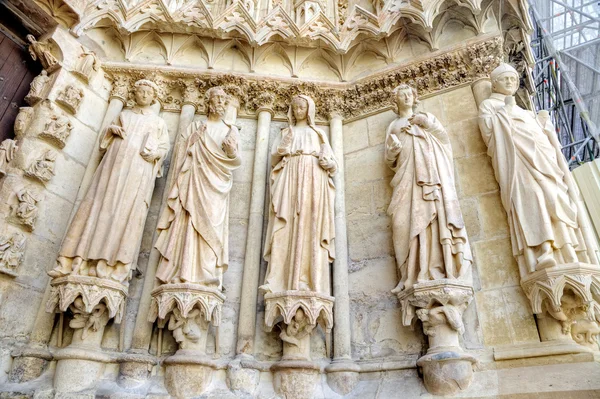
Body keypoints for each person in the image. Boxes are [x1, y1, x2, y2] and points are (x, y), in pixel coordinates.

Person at [49, 79, 170, 284]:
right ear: (134, 94)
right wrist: (111, 131)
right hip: (112, 170)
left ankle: (116, 265)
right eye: (140, 91)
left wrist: (155, 154)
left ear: (153, 97)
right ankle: (77, 261)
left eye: (147, 92)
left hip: (137, 174)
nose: (143, 95)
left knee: (127, 213)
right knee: (98, 207)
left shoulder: (158, 122)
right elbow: (104, 143)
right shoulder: (123, 115)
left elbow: (163, 148)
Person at [478, 63, 594, 274]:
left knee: (555, 198)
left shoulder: (525, 111)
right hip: (519, 164)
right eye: (505, 79)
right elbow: (489, 134)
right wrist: (506, 113)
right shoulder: (489, 106)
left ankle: (568, 249)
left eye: (513, 79)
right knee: (534, 200)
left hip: (543, 162)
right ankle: (544, 250)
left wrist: (542, 125)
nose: (510, 82)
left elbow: (539, 137)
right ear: (494, 84)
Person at [385, 84, 472, 293]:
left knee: (434, 220)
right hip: (407, 180)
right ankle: (411, 273)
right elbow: (389, 159)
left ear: (415, 98)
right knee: (401, 223)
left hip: (432, 179)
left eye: (409, 94)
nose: (406, 97)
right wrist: (393, 151)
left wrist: (427, 125)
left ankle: (440, 269)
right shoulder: (394, 125)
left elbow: (444, 140)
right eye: (401, 95)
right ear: (395, 101)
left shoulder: (427, 117)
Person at [154, 87, 241, 289]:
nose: (220, 102)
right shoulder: (195, 127)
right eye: (216, 99)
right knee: (188, 222)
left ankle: (207, 271)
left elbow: (236, 160)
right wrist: (194, 141)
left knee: (211, 225)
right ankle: (183, 270)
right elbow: (179, 157)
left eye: (223, 99)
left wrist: (230, 152)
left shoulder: (231, 130)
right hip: (192, 181)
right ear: (208, 103)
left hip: (215, 187)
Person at [260, 95, 336, 295]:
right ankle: (277, 279)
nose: (298, 110)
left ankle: (312, 281)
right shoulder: (286, 132)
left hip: (313, 180)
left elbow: (332, 162)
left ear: (309, 109)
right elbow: (274, 157)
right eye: (295, 108)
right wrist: (282, 149)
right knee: (285, 227)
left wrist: (329, 164)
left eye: (301, 107)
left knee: (311, 227)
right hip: (290, 179)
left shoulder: (318, 134)